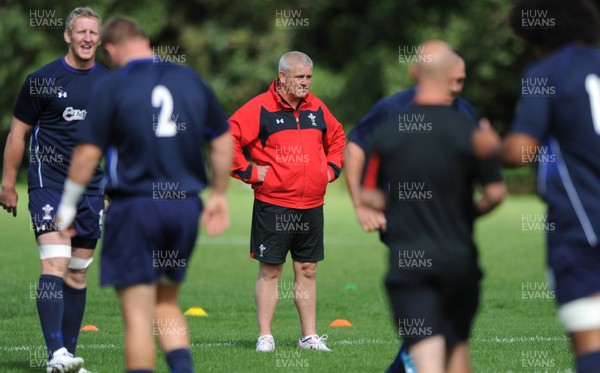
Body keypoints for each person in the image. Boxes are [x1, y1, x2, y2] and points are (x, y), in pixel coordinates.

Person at [55, 17, 232, 373]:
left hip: (136, 206)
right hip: (184, 207)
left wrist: (68, 206)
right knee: (166, 304)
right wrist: (219, 194)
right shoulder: (189, 79)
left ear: (112, 49)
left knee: (138, 317)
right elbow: (222, 138)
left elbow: (88, 154)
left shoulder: (113, 84)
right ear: (146, 41)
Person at [345, 40, 506, 373]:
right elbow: (495, 192)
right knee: (455, 348)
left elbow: (372, 192)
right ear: (446, 76)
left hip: (411, 256)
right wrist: (463, 210)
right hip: (458, 256)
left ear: (415, 71)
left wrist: (390, 204)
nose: (457, 87)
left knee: (430, 349)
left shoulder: (392, 132)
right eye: (456, 79)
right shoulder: (470, 129)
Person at [0, 7, 106, 373]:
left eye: (93, 32)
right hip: (50, 184)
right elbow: (18, 132)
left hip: (92, 188)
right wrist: (8, 183)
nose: (87, 38)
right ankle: (55, 353)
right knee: (56, 263)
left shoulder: (109, 84)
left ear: (99, 38)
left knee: (78, 272)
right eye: (81, 32)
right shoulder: (41, 80)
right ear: (68, 35)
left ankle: (69, 359)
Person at [501, 1, 600, 371]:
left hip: (583, 226)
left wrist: (483, 147)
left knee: (592, 346)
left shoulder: (546, 72)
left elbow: (522, 150)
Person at [229, 51, 346, 352]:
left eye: (309, 77)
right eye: (299, 77)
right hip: (274, 203)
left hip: (311, 204)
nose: (306, 83)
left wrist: (330, 170)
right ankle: (265, 336)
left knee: (308, 269)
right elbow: (227, 137)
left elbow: (337, 138)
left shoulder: (317, 107)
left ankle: (308, 337)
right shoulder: (258, 108)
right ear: (282, 77)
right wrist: (249, 172)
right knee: (271, 271)